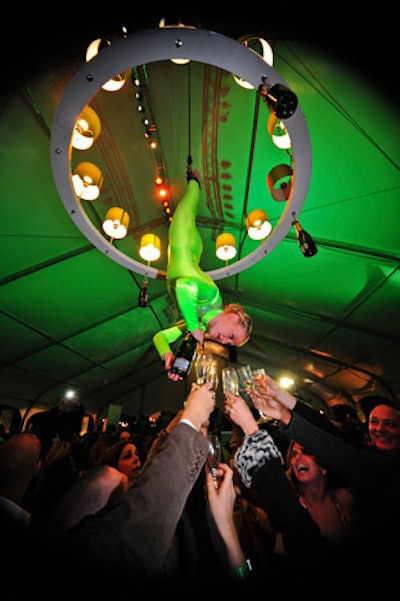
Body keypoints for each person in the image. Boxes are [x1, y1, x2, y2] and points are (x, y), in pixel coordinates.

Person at [27, 382, 230, 594]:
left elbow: (153, 469)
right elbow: (150, 502)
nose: (136, 461)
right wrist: (192, 418)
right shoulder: (99, 555)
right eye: (125, 499)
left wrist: (177, 427)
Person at [245, 373, 400, 595]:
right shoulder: (368, 457)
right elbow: (334, 436)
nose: (380, 429)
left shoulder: (388, 470)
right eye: (374, 422)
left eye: (390, 424)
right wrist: (284, 397)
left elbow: (346, 457)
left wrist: (284, 417)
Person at [153, 167, 252, 380]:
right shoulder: (213, 297)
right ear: (233, 316)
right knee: (189, 204)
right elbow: (184, 286)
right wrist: (192, 327)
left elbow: (160, 337)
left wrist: (167, 354)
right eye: (231, 336)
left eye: (228, 343)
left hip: (187, 254)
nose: (224, 341)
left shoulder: (199, 324)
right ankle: (195, 181)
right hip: (185, 241)